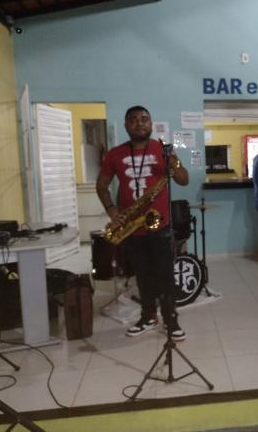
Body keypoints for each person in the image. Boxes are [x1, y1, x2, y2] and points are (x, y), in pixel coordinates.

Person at [96, 105, 189, 340]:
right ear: (127, 125)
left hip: (160, 225)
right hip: (133, 226)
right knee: (143, 275)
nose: (140, 123)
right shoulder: (115, 154)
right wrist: (112, 210)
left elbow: (183, 180)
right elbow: (102, 185)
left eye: (145, 119)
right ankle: (148, 317)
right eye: (134, 120)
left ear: (151, 123)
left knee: (165, 275)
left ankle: (171, 320)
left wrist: (173, 161)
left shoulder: (163, 150)